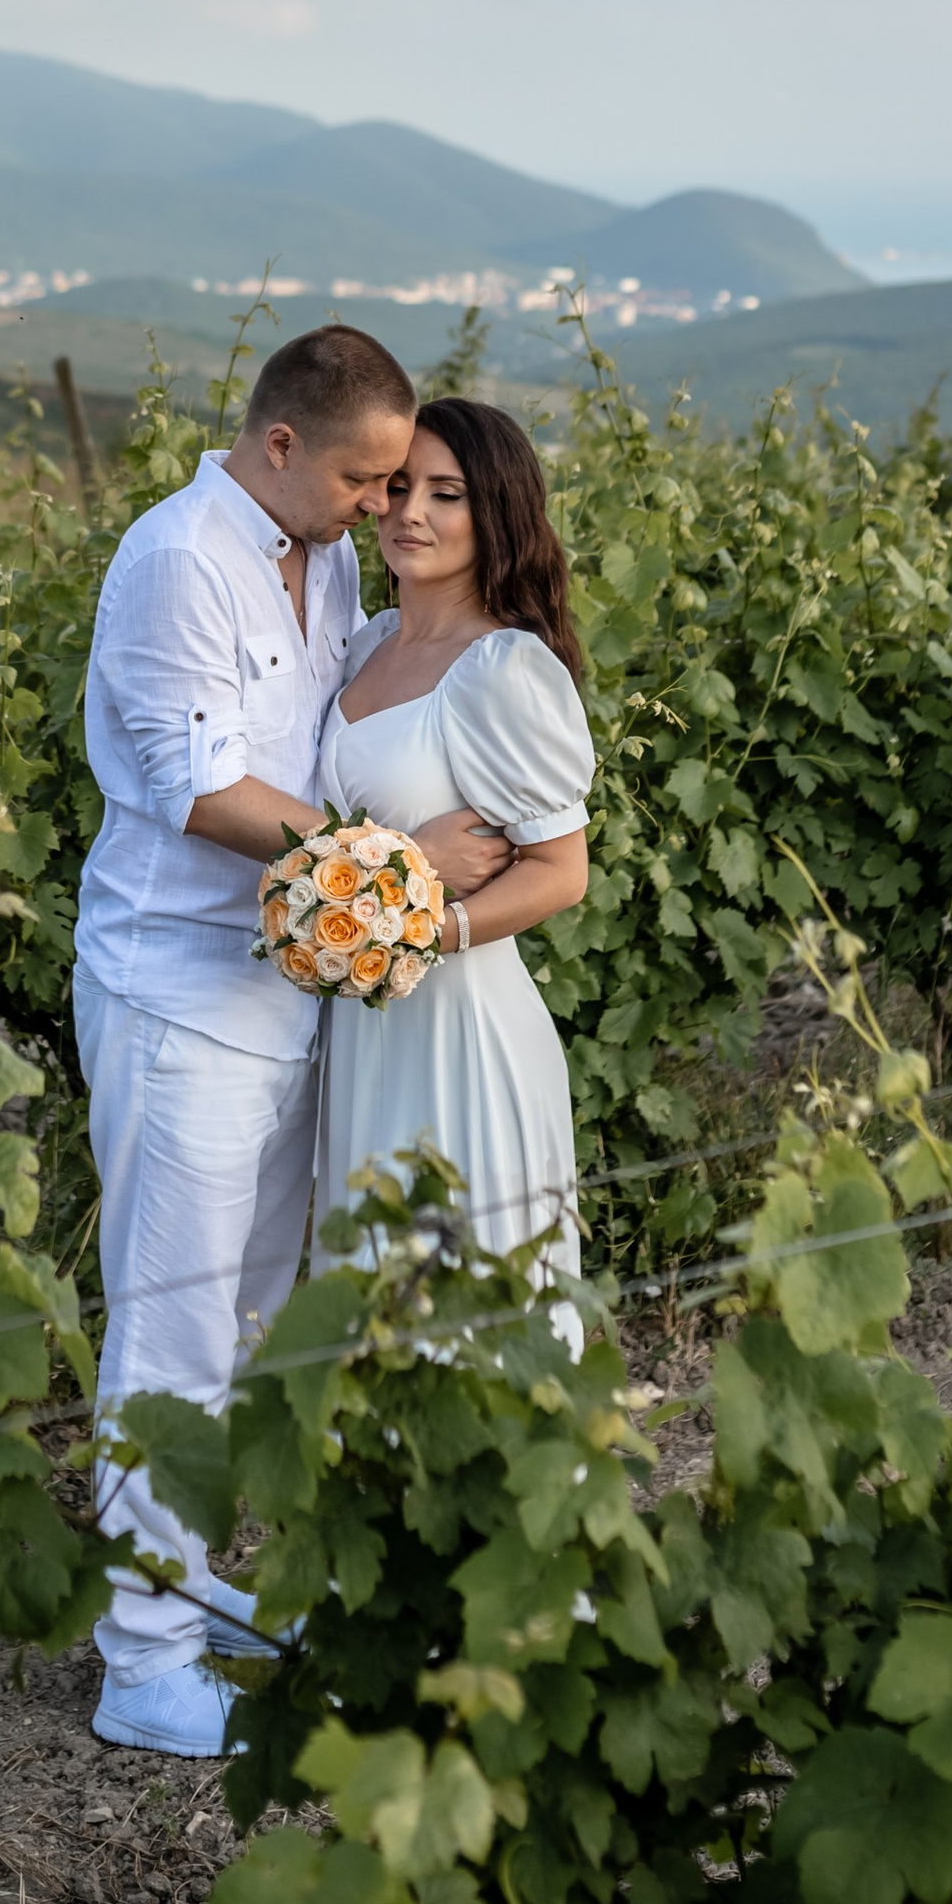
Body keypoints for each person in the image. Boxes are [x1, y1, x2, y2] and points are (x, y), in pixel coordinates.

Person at [73, 322, 512, 1758]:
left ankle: (193, 1585)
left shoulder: (316, 554)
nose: (385, 508)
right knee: (172, 1318)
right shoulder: (178, 561)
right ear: (279, 446)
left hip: (284, 993)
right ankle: (141, 1661)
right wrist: (394, 860)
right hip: (178, 993)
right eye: (367, 479)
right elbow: (201, 788)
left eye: (403, 486)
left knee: (245, 1313)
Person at [314, 397, 594, 1289]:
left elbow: (562, 871)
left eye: (447, 494)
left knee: (464, 1306)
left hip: (460, 1027)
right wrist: (387, 880)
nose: (411, 514)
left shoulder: (503, 669)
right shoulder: (369, 643)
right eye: (398, 488)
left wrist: (416, 930)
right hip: (363, 1031)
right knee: (369, 1305)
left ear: (496, 515)